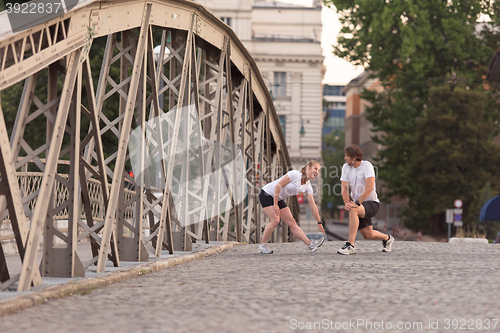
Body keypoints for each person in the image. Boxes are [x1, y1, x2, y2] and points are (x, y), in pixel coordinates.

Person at [258, 160, 325, 254]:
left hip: (278, 198)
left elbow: (313, 205)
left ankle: (310, 244)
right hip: (267, 194)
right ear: (308, 168)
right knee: (275, 220)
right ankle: (262, 245)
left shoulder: (307, 186)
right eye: (315, 169)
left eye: (318, 170)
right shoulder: (295, 175)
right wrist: (276, 204)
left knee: (292, 222)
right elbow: (278, 186)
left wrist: (319, 221)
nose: (317, 172)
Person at [337, 145, 394, 255]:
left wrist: (357, 203)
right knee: (368, 235)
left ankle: (350, 246)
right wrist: (347, 203)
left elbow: (370, 187)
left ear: (353, 157)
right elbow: (344, 188)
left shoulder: (367, 166)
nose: (345, 158)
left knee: (354, 210)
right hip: (359, 204)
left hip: (372, 203)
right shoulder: (345, 167)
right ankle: (387, 239)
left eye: (346, 156)